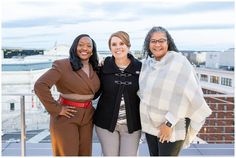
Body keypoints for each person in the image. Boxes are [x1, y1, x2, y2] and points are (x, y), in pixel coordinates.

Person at [137, 26, 212, 156]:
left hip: (172, 125)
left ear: (168, 43)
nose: (157, 44)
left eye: (162, 40)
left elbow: (186, 97)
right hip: (150, 124)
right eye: (153, 41)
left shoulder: (179, 62)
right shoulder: (147, 65)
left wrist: (169, 123)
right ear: (148, 44)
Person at [34, 34, 100, 156]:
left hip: (88, 115)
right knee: (68, 153)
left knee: (85, 153)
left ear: (92, 51)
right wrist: (57, 109)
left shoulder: (95, 68)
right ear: (74, 47)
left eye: (88, 46)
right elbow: (40, 85)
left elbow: (95, 91)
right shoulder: (62, 65)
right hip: (67, 115)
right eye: (81, 45)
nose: (84, 48)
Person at [93, 31, 142, 156]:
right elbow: (93, 93)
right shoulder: (103, 67)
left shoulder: (141, 68)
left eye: (122, 43)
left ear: (128, 46)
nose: (118, 47)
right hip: (105, 124)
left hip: (132, 125)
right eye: (114, 44)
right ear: (110, 48)